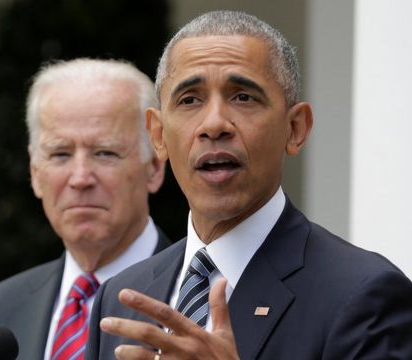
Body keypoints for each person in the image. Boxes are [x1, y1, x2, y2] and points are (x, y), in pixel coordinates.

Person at [85, 10, 412, 360]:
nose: (214, 124)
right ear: (159, 135)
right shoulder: (119, 296)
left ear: (296, 128)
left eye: (243, 97)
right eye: (190, 99)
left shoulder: (364, 295)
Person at [0, 58, 171, 360]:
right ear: (35, 172)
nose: (80, 177)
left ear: (154, 167)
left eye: (105, 152)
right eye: (60, 154)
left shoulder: (197, 297)